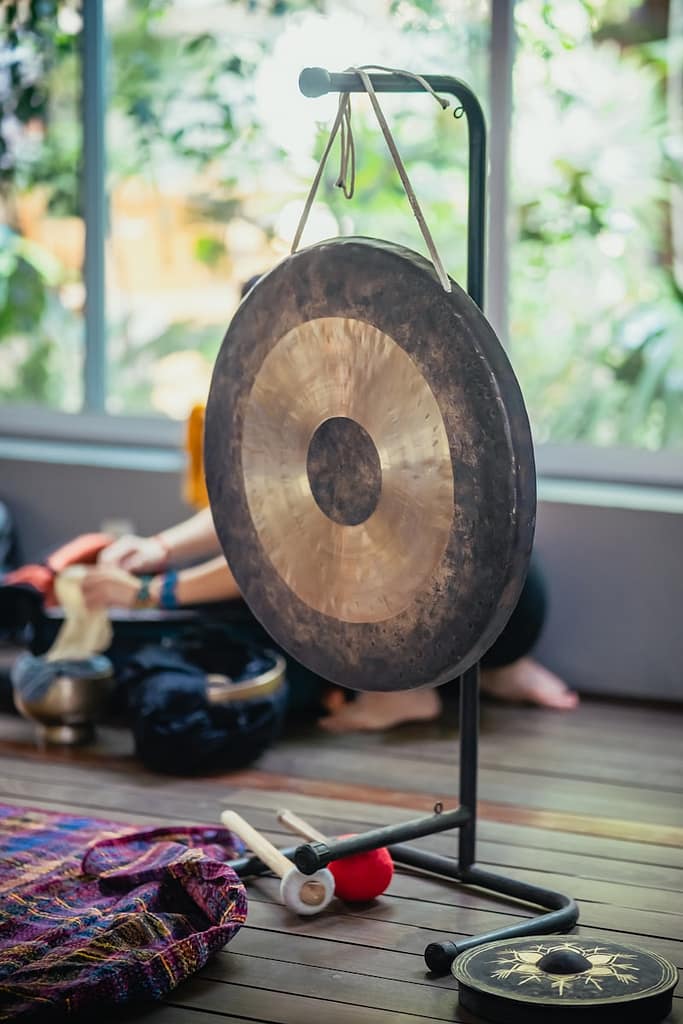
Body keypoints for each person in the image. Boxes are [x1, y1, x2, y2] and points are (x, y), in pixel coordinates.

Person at [81, 508, 578, 732]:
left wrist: (151, 591)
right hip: (514, 605)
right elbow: (249, 507)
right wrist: (161, 547)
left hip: (482, 610)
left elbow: (281, 553)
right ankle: (498, 668)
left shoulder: (340, 407)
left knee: (338, 555)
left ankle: (400, 693)